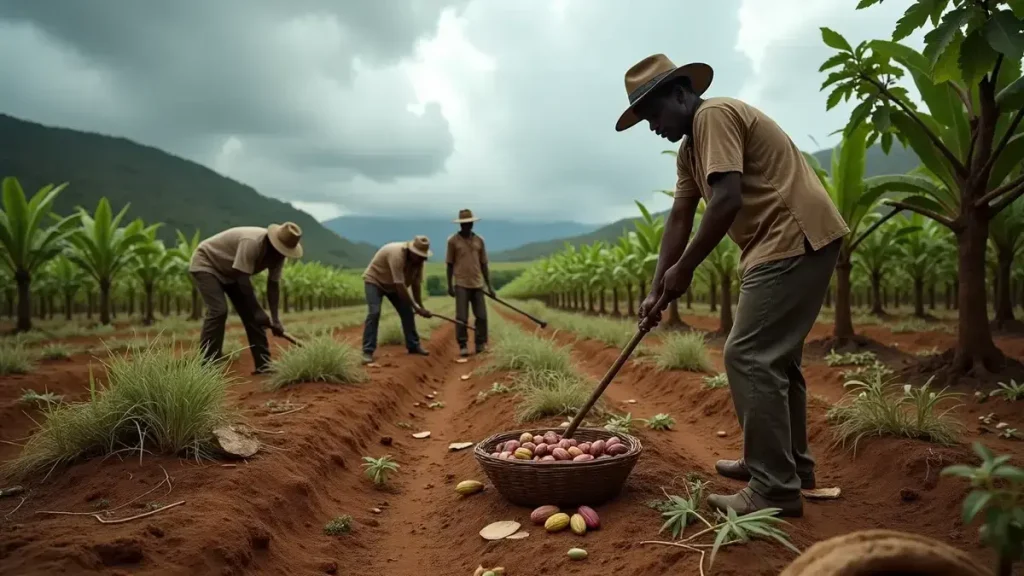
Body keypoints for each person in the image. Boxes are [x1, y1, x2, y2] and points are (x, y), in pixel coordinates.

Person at [615, 54, 849, 517]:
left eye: (655, 114)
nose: (653, 127)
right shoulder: (689, 151)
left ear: (682, 93)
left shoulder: (712, 115)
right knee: (777, 361)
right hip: (778, 243)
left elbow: (725, 201)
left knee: (747, 354)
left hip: (791, 236)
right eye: (645, 121)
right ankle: (790, 468)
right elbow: (681, 216)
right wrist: (657, 285)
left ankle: (773, 487)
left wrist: (684, 270)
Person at [189, 222, 304, 374]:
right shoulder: (251, 242)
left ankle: (263, 365)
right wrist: (258, 311)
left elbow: (273, 285)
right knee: (219, 311)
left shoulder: (279, 256)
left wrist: (275, 320)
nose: (280, 254)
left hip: (233, 273)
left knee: (254, 316)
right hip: (208, 264)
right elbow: (243, 279)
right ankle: (207, 366)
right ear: (272, 242)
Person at [361, 235, 434, 364]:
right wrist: (416, 307)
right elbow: (400, 285)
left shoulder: (419, 262)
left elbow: (416, 284)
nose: (421, 259)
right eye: (419, 256)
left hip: (393, 285)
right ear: (410, 251)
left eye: (423, 257)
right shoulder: (397, 255)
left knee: (407, 313)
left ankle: (413, 345)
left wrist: (420, 306)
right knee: (374, 312)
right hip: (375, 281)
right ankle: (367, 351)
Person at [445, 208, 493, 357]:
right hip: (461, 284)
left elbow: (484, 264)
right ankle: (463, 345)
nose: (467, 225)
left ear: (472, 223)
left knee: (482, 316)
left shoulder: (479, 240)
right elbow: (449, 264)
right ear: (460, 225)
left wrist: (489, 286)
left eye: (469, 223)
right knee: (462, 317)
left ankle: (480, 343)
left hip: (478, 284)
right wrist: (449, 285)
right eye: (464, 223)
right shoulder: (453, 241)